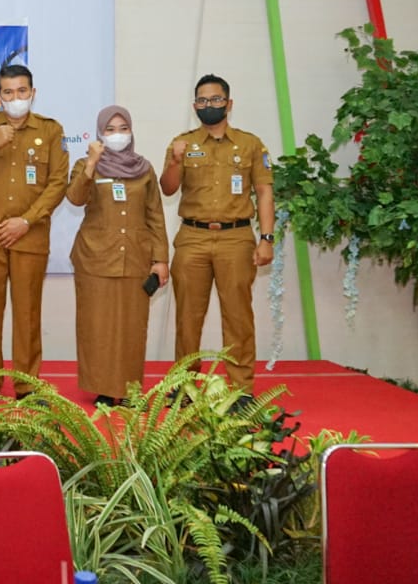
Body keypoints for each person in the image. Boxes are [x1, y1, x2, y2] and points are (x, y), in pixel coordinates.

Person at [0, 64, 68, 402]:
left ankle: (27, 385)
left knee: (28, 313)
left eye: (22, 91)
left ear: (32, 93)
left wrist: (26, 221)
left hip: (29, 236)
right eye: (8, 92)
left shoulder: (50, 130)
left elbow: (58, 183)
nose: (15, 98)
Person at [160, 74, 274, 404]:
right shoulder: (182, 143)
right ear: (195, 106)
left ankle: (240, 391)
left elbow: (265, 192)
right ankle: (185, 386)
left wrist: (266, 238)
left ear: (229, 103)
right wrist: (175, 161)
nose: (209, 105)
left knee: (238, 316)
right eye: (203, 101)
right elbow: (167, 188)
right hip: (192, 237)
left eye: (216, 100)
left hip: (236, 237)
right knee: (187, 318)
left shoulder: (251, 144)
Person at [67, 105, 169, 406]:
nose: (117, 135)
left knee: (132, 326)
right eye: (110, 130)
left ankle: (128, 390)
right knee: (96, 326)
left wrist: (160, 259)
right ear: (99, 133)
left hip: (136, 258)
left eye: (123, 128)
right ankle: (103, 389)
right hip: (95, 258)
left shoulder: (144, 168)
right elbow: (74, 198)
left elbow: (156, 215)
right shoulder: (86, 164)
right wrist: (91, 165)